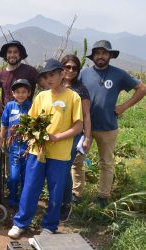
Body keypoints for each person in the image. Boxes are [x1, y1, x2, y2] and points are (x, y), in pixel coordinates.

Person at [8, 59, 83, 238]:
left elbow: (78, 126)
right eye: (46, 76)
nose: (49, 79)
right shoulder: (41, 96)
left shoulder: (73, 97)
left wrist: (56, 137)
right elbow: (31, 120)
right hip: (37, 151)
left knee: (56, 190)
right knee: (30, 187)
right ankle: (21, 223)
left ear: (62, 74)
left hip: (60, 153)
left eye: (52, 75)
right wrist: (34, 134)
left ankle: (49, 226)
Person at [79, 40, 146, 207]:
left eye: (104, 53)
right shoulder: (83, 73)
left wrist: (124, 106)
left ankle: (103, 196)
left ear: (110, 55)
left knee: (106, 163)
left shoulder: (119, 74)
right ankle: (76, 193)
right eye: (97, 53)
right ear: (93, 56)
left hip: (108, 127)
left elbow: (142, 88)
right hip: (83, 128)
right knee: (77, 161)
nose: (100, 56)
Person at [59, 54, 92, 221]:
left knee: (65, 170)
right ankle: (57, 201)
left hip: (73, 136)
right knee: (57, 170)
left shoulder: (81, 90)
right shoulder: (54, 86)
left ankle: (65, 203)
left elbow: (86, 115)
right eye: (67, 67)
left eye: (74, 68)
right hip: (55, 136)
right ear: (61, 67)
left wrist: (87, 137)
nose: (70, 70)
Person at [0, 79, 32, 209]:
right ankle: (12, 197)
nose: (21, 94)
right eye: (18, 92)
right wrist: (2, 140)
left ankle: (23, 200)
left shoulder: (32, 106)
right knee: (13, 177)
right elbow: (4, 124)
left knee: (25, 176)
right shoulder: (9, 106)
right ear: (13, 93)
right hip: (13, 147)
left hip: (28, 148)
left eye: (23, 92)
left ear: (28, 93)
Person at [0, 40, 39, 106]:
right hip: (6, 114)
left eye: (15, 52)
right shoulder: (1, 74)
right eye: (9, 52)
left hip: (26, 114)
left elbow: (45, 85)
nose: (12, 55)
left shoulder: (30, 71)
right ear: (6, 55)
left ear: (20, 55)